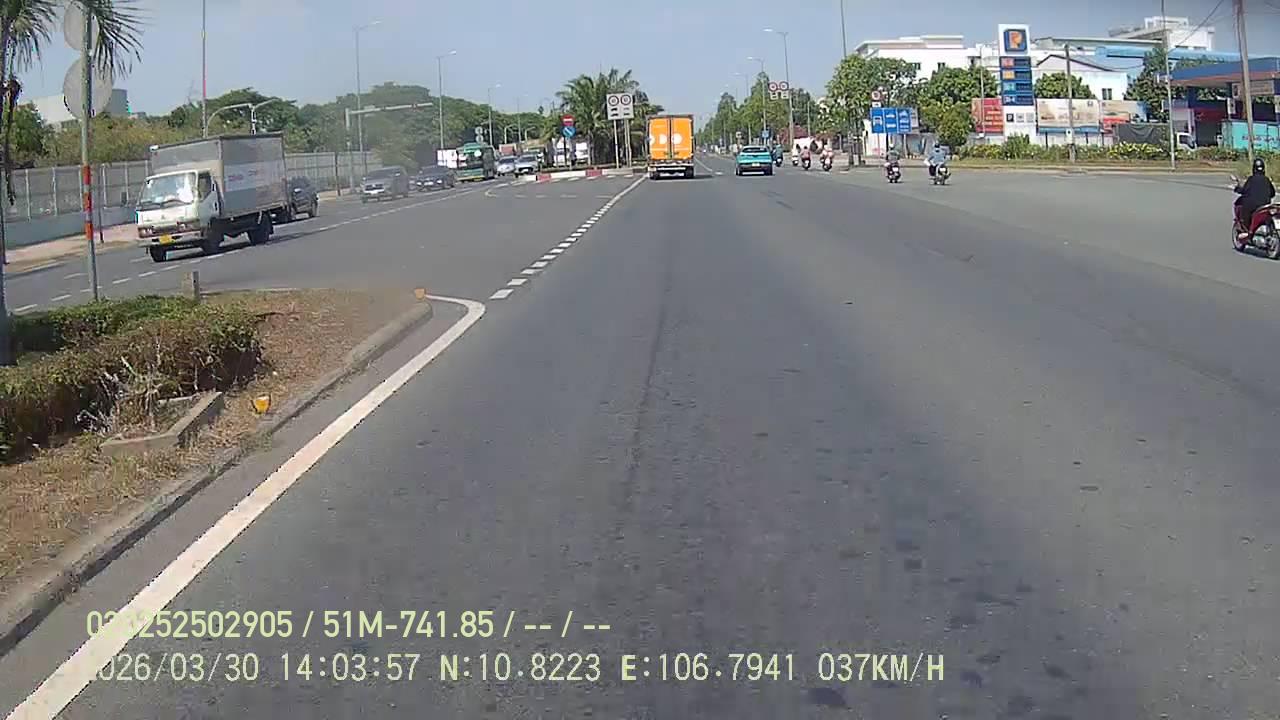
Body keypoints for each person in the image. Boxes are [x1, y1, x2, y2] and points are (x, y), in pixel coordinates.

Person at [1235, 158, 1275, 237]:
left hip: (1253, 206)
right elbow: (1272, 193)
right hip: (1265, 206)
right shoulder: (1267, 180)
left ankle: (1246, 231)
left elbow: (1244, 190)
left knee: (1244, 211)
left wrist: (1237, 189)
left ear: (1254, 169)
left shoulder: (1251, 179)